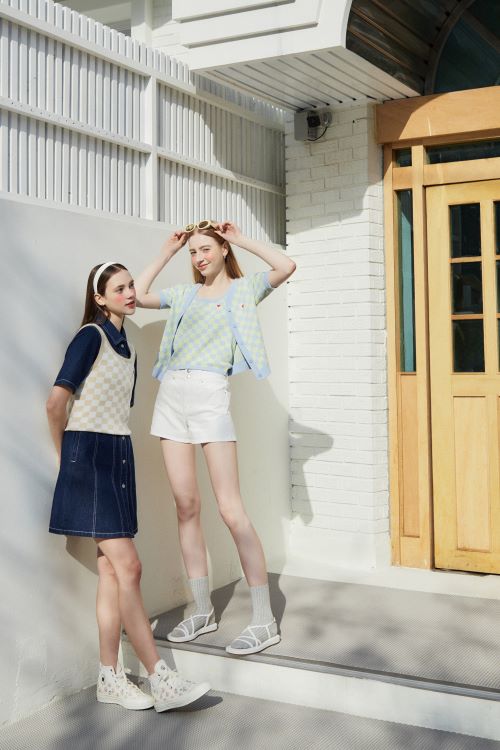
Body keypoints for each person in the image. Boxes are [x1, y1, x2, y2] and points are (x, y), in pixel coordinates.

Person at [46, 261, 211, 711]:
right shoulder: (90, 337)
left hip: (118, 454)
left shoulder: (129, 347)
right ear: (99, 298)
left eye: (131, 285)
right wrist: (66, 460)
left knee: (111, 571)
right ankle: (160, 677)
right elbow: (56, 404)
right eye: (119, 288)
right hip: (89, 457)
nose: (130, 293)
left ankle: (109, 677)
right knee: (130, 567)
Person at [134, 221, 296, 655]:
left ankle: (264, 621)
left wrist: (240, 239)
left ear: (223, 250)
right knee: (186, 506)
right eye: (193, 252)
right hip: (171, 394)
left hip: (209, 394)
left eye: (205, 249)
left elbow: (286, 265)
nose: (199, 257)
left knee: (230, 509)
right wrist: (168, 251)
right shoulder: (184, 294)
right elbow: (137, 298)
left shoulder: (244, 290)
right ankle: (202, 610)